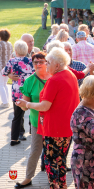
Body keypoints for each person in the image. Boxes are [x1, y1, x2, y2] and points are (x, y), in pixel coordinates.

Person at [15, 47, 80, 188]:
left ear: (57, 64)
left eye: (47, 62)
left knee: (51, 162)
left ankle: (55, 186)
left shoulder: (54, 79)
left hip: (54, 128)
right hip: (66, 127)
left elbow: (44, 106)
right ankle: (61, 185)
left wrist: (27, 104)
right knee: (61, 161)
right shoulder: (70, 75)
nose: (45, 65)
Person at [14, 52, 51, 189]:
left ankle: (53, 177)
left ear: (47, 62)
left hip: (54, 122)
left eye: (41, 61)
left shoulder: (53, 78)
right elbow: (25, 104)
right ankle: (28, 178)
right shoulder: (30, 81)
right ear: (32, 63)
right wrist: (22, 105)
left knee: (52, 151)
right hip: (37, 122)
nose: (39, 64)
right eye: (36, 62)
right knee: (35, 150)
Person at [2, 40, 34, 146]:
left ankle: (14, 139)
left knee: (17, 117)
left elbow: (4, 72)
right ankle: (33, 134)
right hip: (30, 91)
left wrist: (10, 75)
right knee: (33, 113)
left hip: (17, 93)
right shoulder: (31, 61)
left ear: (15, 51)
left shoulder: (12, 61)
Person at [0, 28, 13, 108]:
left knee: (1, 84)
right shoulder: (10, 44)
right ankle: (6, 101)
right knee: (4, 84)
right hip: (8, 67)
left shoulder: (0, 44)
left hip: (1, 66)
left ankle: (5, 102)